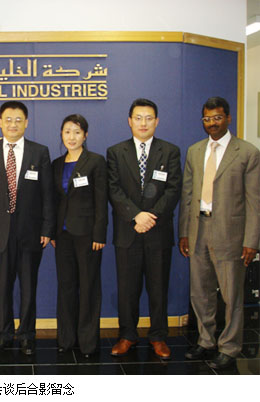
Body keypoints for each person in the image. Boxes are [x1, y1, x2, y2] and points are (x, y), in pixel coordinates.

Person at [179, 96, 260, 369]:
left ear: (228, 118)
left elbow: (255, 202)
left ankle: (230, 347)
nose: (211, 123)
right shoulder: (194, 151)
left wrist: (252, 241)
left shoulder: (247, 152)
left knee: (231, 294)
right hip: (198, 229)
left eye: (217, 118)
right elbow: (187, 195)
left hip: (230, 233)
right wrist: (184, 232)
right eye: (207, 118)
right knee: (200, 291)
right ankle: (206, 341)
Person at [106, 98, 182, 360]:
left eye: (149, 118)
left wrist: (151, 217)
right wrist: (136, 216)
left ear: (156, 121)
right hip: (127, 232)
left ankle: (158, 336)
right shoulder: (116, 152)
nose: (143, 123)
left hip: (158, 232)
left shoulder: (169, 151)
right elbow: (113, 189)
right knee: (127, 289)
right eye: (138, 118)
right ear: (130, 121)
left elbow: (173, 189)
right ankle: (127, 335)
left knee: (158, 287)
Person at [0, 101, 54, 355]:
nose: (13, 124)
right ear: (0, 122)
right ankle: (5, 334)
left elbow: (47, 195)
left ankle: (27, 335)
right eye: (8, 119)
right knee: (3, 286)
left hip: (31, 233)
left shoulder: (39, 152)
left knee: (28, 286)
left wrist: (47, 228)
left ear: (26, 123)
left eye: (18, 119)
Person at [51, 114, 107, 358]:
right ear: (61, 135)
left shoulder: (95, 161)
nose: (71, 137)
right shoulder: (56, 164)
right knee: (66, 287)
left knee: (88, 287)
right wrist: (52, 232)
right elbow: (53, 201)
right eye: (67, 132)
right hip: (62, 236)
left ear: (85, 135)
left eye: (76, 132)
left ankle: (87, 342)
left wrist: (99, 234)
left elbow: (101, 201)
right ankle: (66, 338)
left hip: (87, 235)